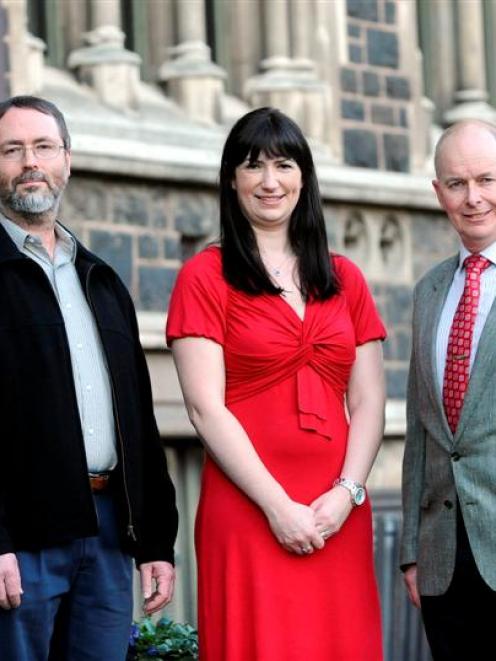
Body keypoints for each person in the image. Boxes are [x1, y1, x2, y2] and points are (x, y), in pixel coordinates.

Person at [166, 107, 386, 660]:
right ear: (231, 180)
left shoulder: (345, 278)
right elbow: (203, 408)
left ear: (304, 178)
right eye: (253, 166)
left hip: (338, 513)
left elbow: (369, 401)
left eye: (284, 165)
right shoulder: (204, 276)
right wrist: (277, 507)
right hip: (248, 511)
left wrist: (347, 493)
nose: (269, 181)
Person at [0, 95, 178, 661]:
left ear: (67, 160)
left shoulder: (100, 280)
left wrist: (155, 540)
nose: (30, 161)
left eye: (44, 147)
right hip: (22, 538)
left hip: (106, 532)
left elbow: (139, 421)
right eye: (12, 149)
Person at [401, 119, 496, 660]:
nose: (473, 197)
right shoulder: (429, 291)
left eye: (486, 179)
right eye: (457, 184)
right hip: (443, 564)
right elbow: (420, 428)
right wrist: (413, 552)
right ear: (438, 194)